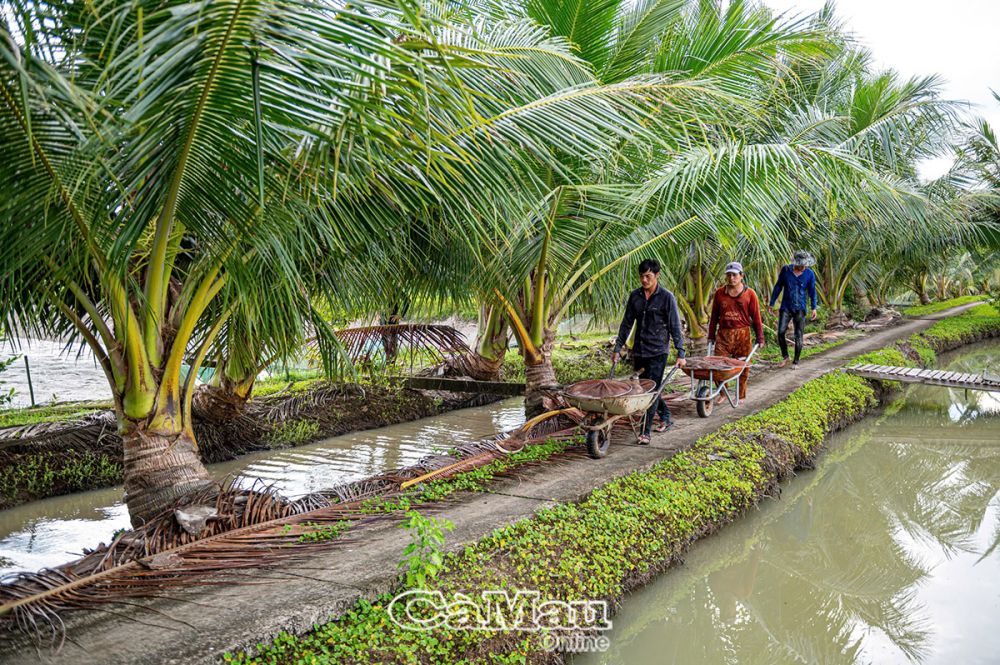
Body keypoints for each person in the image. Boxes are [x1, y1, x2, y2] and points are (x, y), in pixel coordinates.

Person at [611, 259, 686, 443]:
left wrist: (680, 352)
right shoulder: (635, 296)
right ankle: (666, 416)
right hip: (640, 351)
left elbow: (675, 326)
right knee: (643, 388)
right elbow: (627, 323)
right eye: (642, 276)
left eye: (648, 276)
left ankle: (645, 432)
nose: (644, 280)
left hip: (658, 351)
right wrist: (618, 348)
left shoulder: (667, 297)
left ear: (657, 275)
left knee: (650, 391)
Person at [707, 262, 764, 404]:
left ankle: (741, 395)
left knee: (743, 367)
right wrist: (711, 335)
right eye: (729, 275)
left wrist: (760, 337)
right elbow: (714, 316)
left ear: (741, 276)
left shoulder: (750, 294)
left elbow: (756, 317)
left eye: (734, 275)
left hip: (742, 335)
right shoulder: (720, 293)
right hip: (723, 335)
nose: (731, 278)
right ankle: (722, 393)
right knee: (718, 366)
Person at [769, 250, 818, 369]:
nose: (803, 267)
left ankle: (796, 361)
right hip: (786, 306)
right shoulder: (786, 270)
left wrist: (814, 307)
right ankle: (786, 356)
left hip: (800, 308)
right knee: (780, 332)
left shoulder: (810, 274)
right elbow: (778, 286)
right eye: (801, 265)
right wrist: (772, 302)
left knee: (798, 335)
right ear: (795, 263)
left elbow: (812, 291)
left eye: (805, 265)